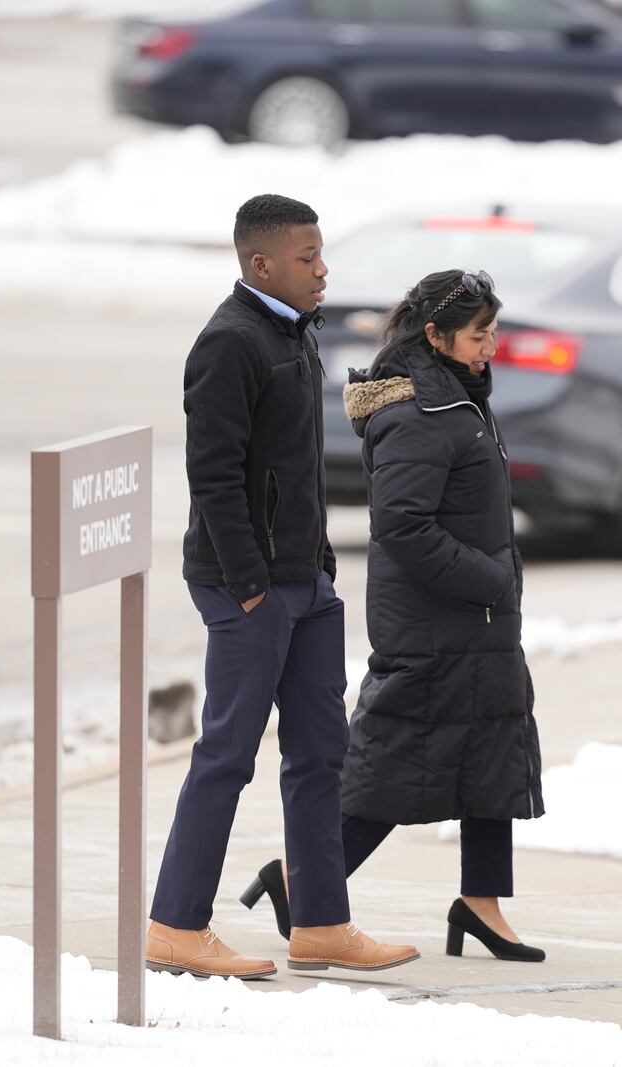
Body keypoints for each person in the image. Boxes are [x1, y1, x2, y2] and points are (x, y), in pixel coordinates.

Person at [146, 194, 419, 980]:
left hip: (307, 580)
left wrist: (322, 567)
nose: (323, 268)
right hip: (251, 588)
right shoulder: (229, 343)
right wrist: (251, 585)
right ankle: (175, 924)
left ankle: (322, 923)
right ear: (262, 264)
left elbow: (297, 472)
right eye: (308, 257)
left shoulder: (295, 333)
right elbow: (215, 478)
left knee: (321, 753)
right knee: (228, 751)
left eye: (321, 253)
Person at [242, 269, 545, 962]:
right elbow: (403, 528)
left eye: (494, 331)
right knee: (396, 766)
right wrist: (492, 579)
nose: (490, 346)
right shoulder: (415, 411)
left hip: (479, 619)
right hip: (436, 623)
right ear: (435, 335)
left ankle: (481, 902)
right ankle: (300, 880)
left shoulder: (456, 395)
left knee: (489, 751)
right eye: (478, 334)